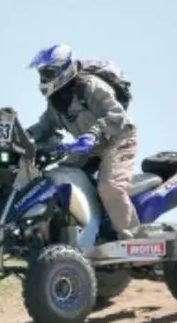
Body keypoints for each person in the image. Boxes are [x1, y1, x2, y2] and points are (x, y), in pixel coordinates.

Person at [25, 43, 142, 242]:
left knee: (110, 187)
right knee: (58, 178)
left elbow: (116, 115)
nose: (44, 79)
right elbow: (46, 125)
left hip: (119, 139)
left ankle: (132, 240)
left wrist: (93, 134)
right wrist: (24, 136)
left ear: (64, 69)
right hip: (88, 147)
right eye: (42, 74)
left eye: (49, 73)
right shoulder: (57, 99)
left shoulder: (91, 86)